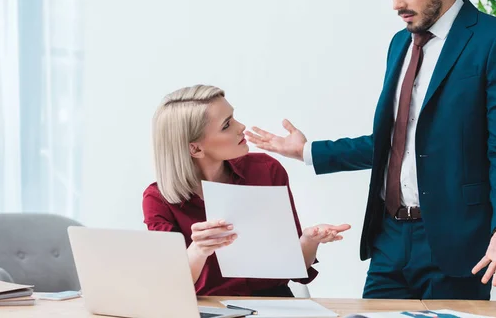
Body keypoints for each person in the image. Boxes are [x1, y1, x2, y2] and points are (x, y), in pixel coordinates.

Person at [245, 0, 496, 300]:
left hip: (454, 239)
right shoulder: (400, 44)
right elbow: (394, 142)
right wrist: (306, 151)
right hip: (389, 241)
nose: (396, 4)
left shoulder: (495, 40)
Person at [142, 84, 350, 297]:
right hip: (207, 309)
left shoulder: (265, 170)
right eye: (226, 125)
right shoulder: (158, 198)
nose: (241, 126)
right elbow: (171, 286)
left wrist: (309, 240)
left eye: (233, 117)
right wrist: (198, 249)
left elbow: (295, 269)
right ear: (195, 148)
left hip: (275, 305)